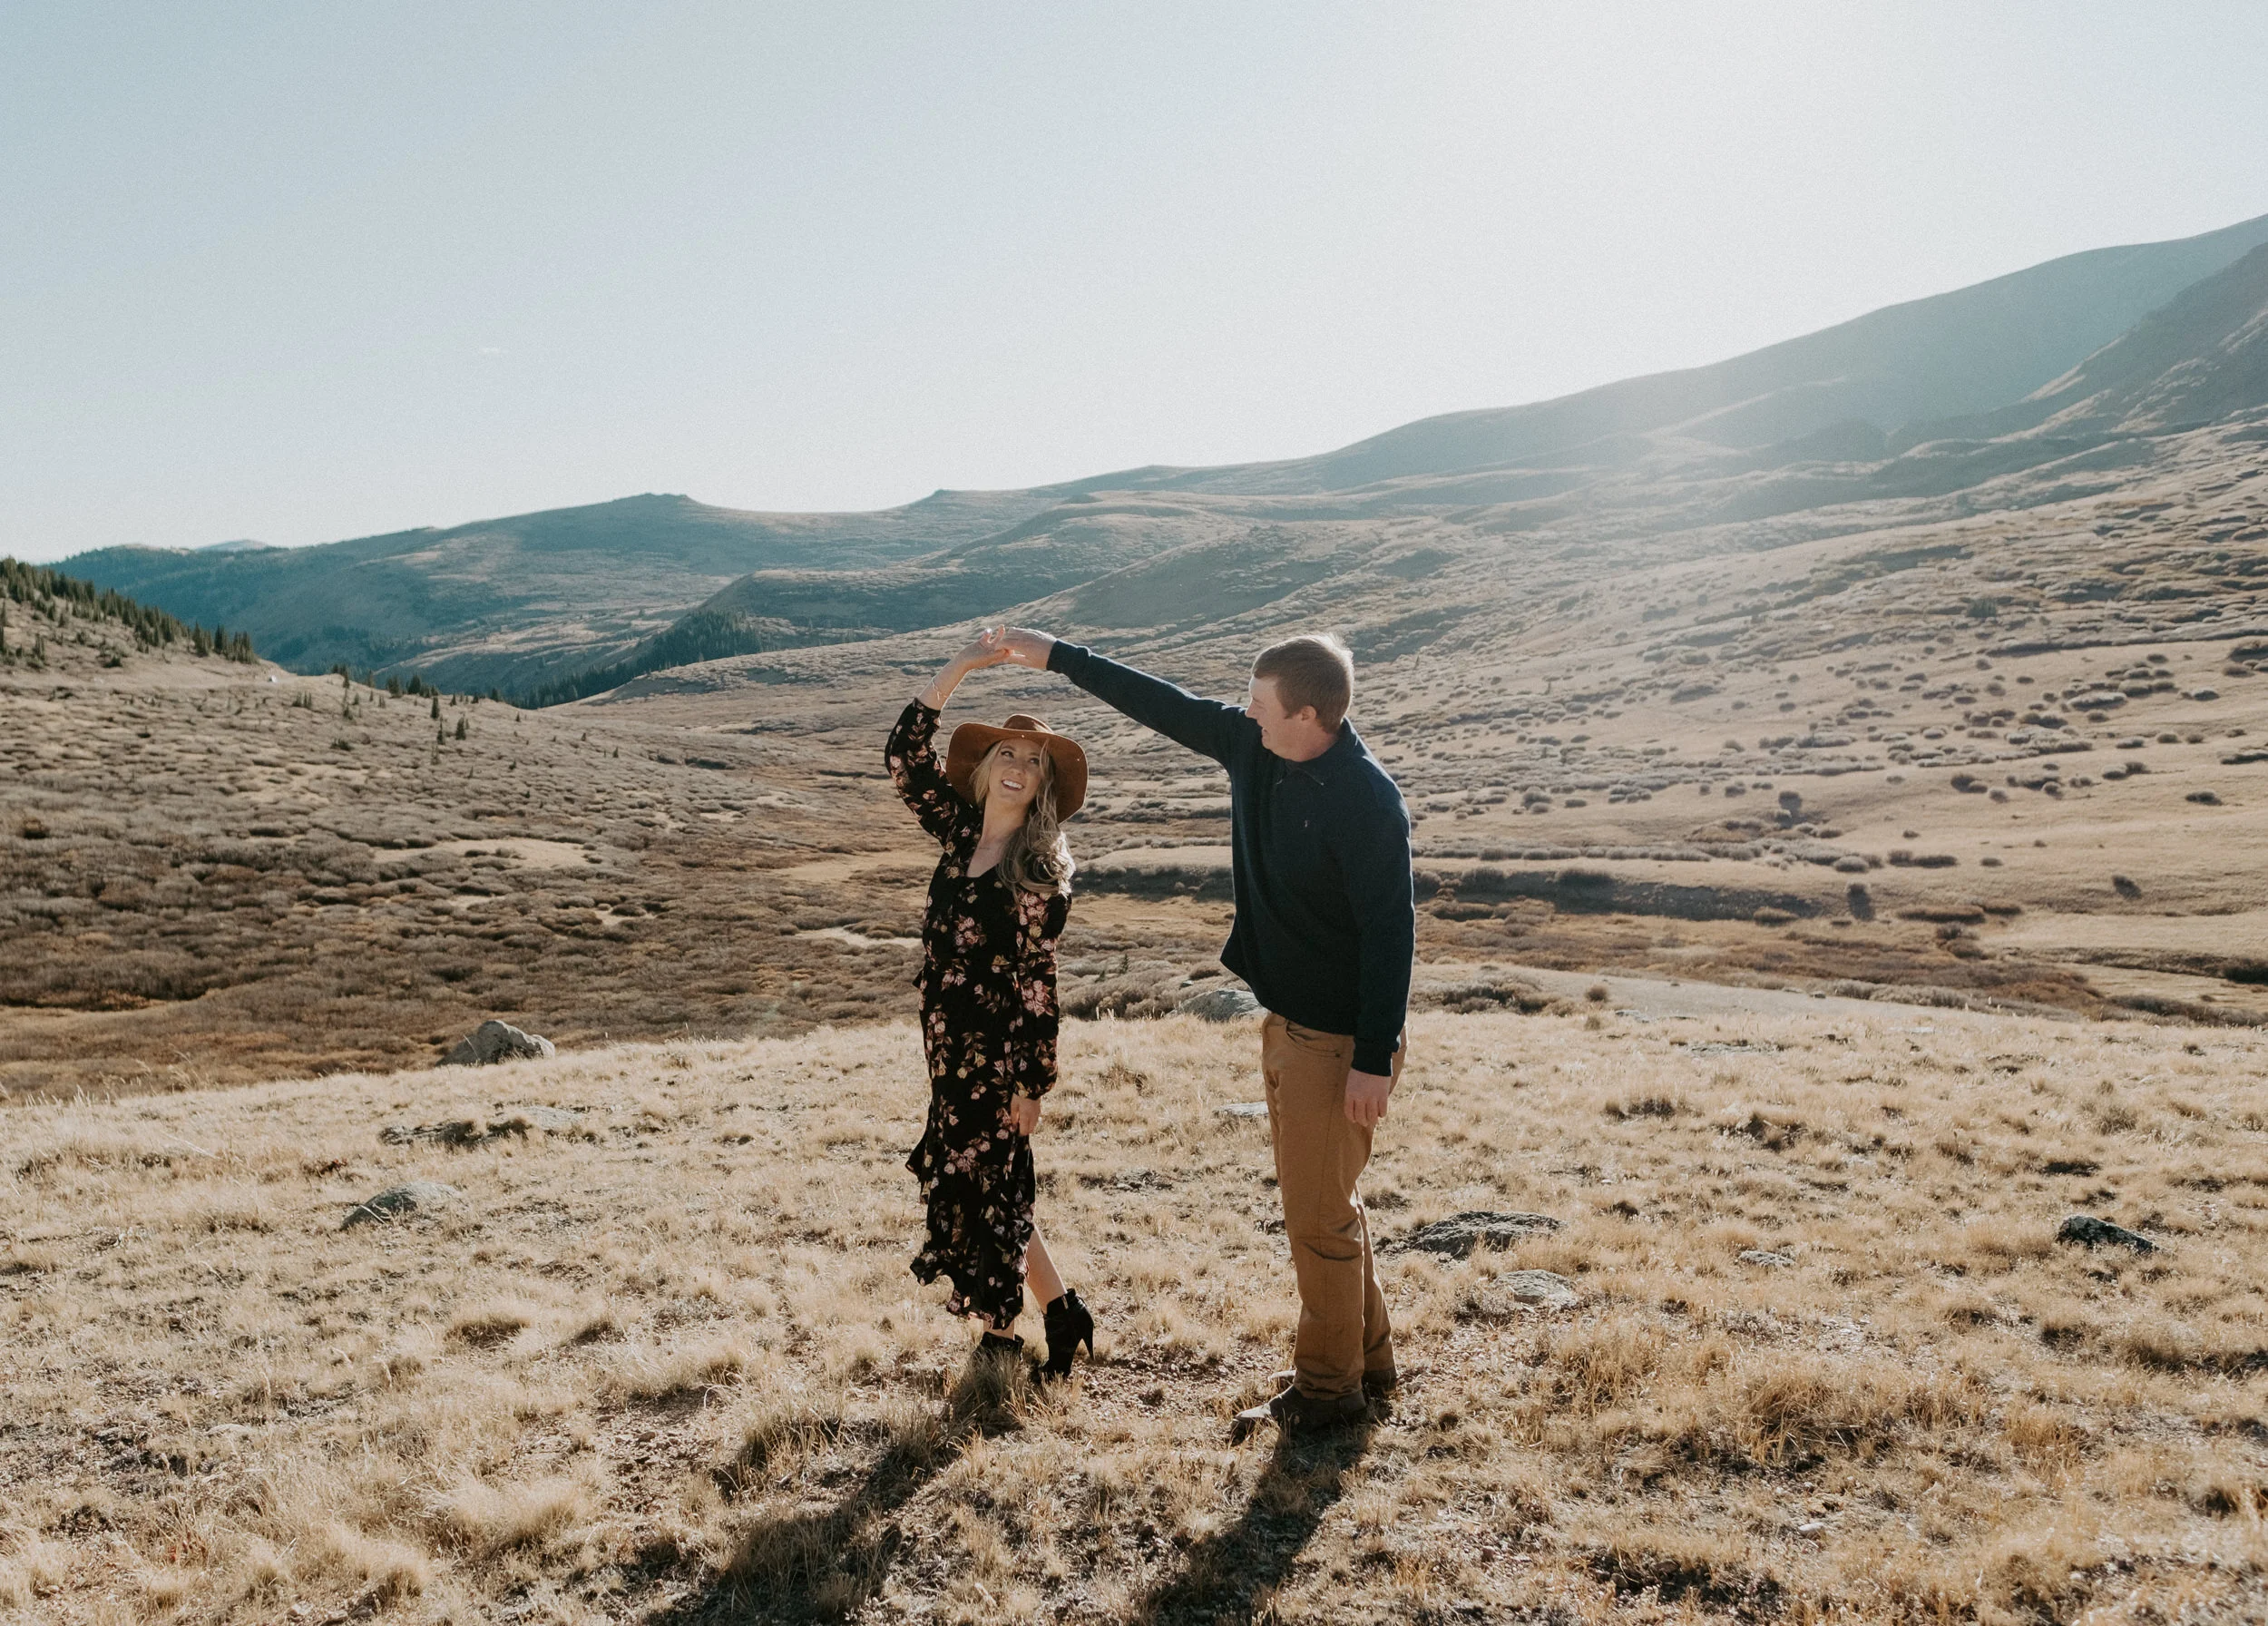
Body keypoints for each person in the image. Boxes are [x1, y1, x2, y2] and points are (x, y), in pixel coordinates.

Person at [992, 625, 1413, 1433]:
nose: (1244, 716)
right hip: (1290, 1026)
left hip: (1341, 1041)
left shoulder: (1366, 802)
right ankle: (1369, 1362)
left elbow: (1393, 934)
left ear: (1311, 716)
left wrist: (1370, 1058)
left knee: (1316, 1219)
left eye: (1260, 707)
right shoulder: (1256, 748)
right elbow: (1161, 703)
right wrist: (1057, 656)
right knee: (1328, 1204)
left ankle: (1329, 1395)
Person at [885, 630, 1097, 1376]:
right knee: (983, 1183)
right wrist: (962, 668)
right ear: (985, 768)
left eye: (1034, 762)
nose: (1018, 766)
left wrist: (1031, 1085)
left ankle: (1001, 1338)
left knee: (989, 1190)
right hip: (945, 1048)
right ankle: (1063, 1313)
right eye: (1007, 753)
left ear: (1043, 787)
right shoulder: (958, 834)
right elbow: (904, 759)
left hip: (997, 1055)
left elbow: (1040, 986)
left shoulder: (1037, 873)